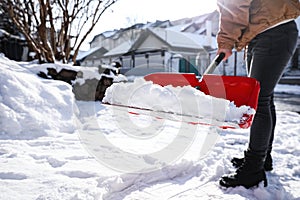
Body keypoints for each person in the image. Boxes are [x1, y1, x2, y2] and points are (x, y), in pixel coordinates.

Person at [216, 0, 300, 188]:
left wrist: (226, 41)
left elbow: (234, 4)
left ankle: (254, 168)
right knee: (264, 98)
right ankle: (262, 158)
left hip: (272, 32)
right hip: (267, 30)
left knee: (259, 100)